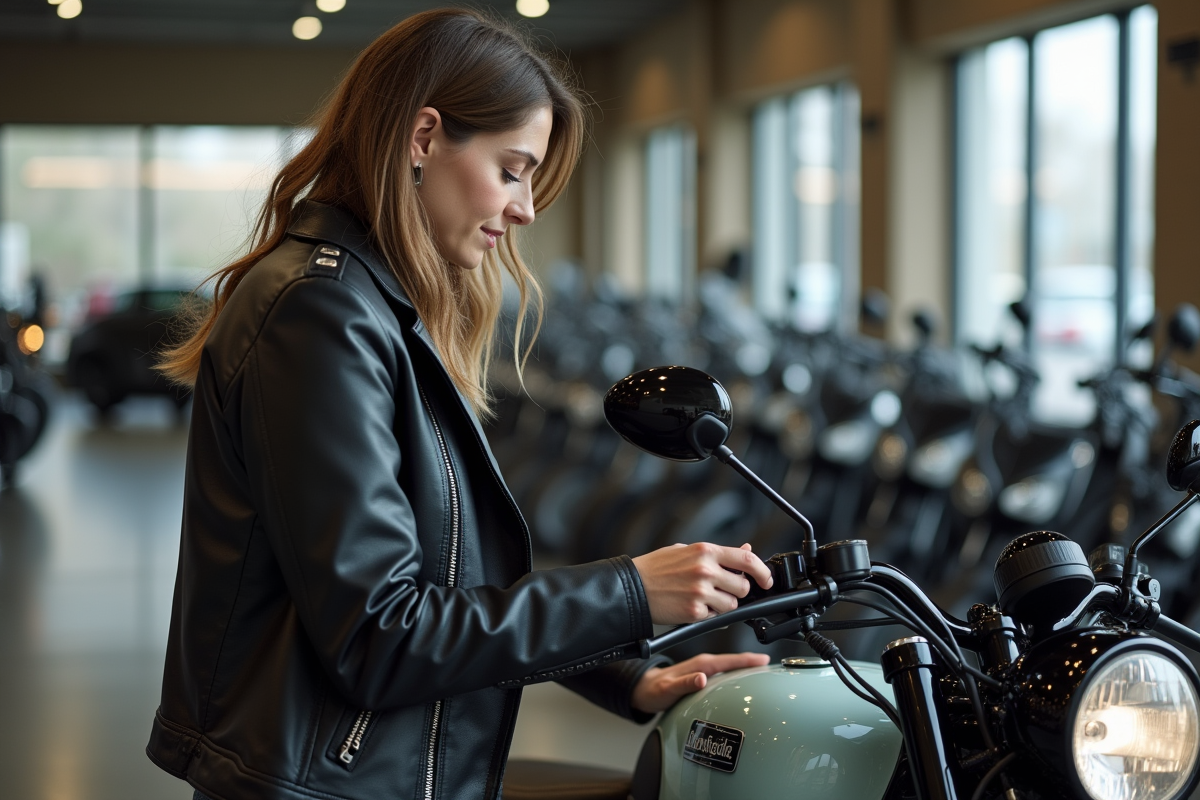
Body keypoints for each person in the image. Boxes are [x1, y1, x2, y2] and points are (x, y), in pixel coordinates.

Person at [147, 9, 773, 800]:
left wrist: (630, 676)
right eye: (512, 169)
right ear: (423, 139)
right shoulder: (321, 315)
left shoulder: (371, 306)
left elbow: (443, 581)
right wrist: (629, 592)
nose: (525, 209)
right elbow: (382, 634)